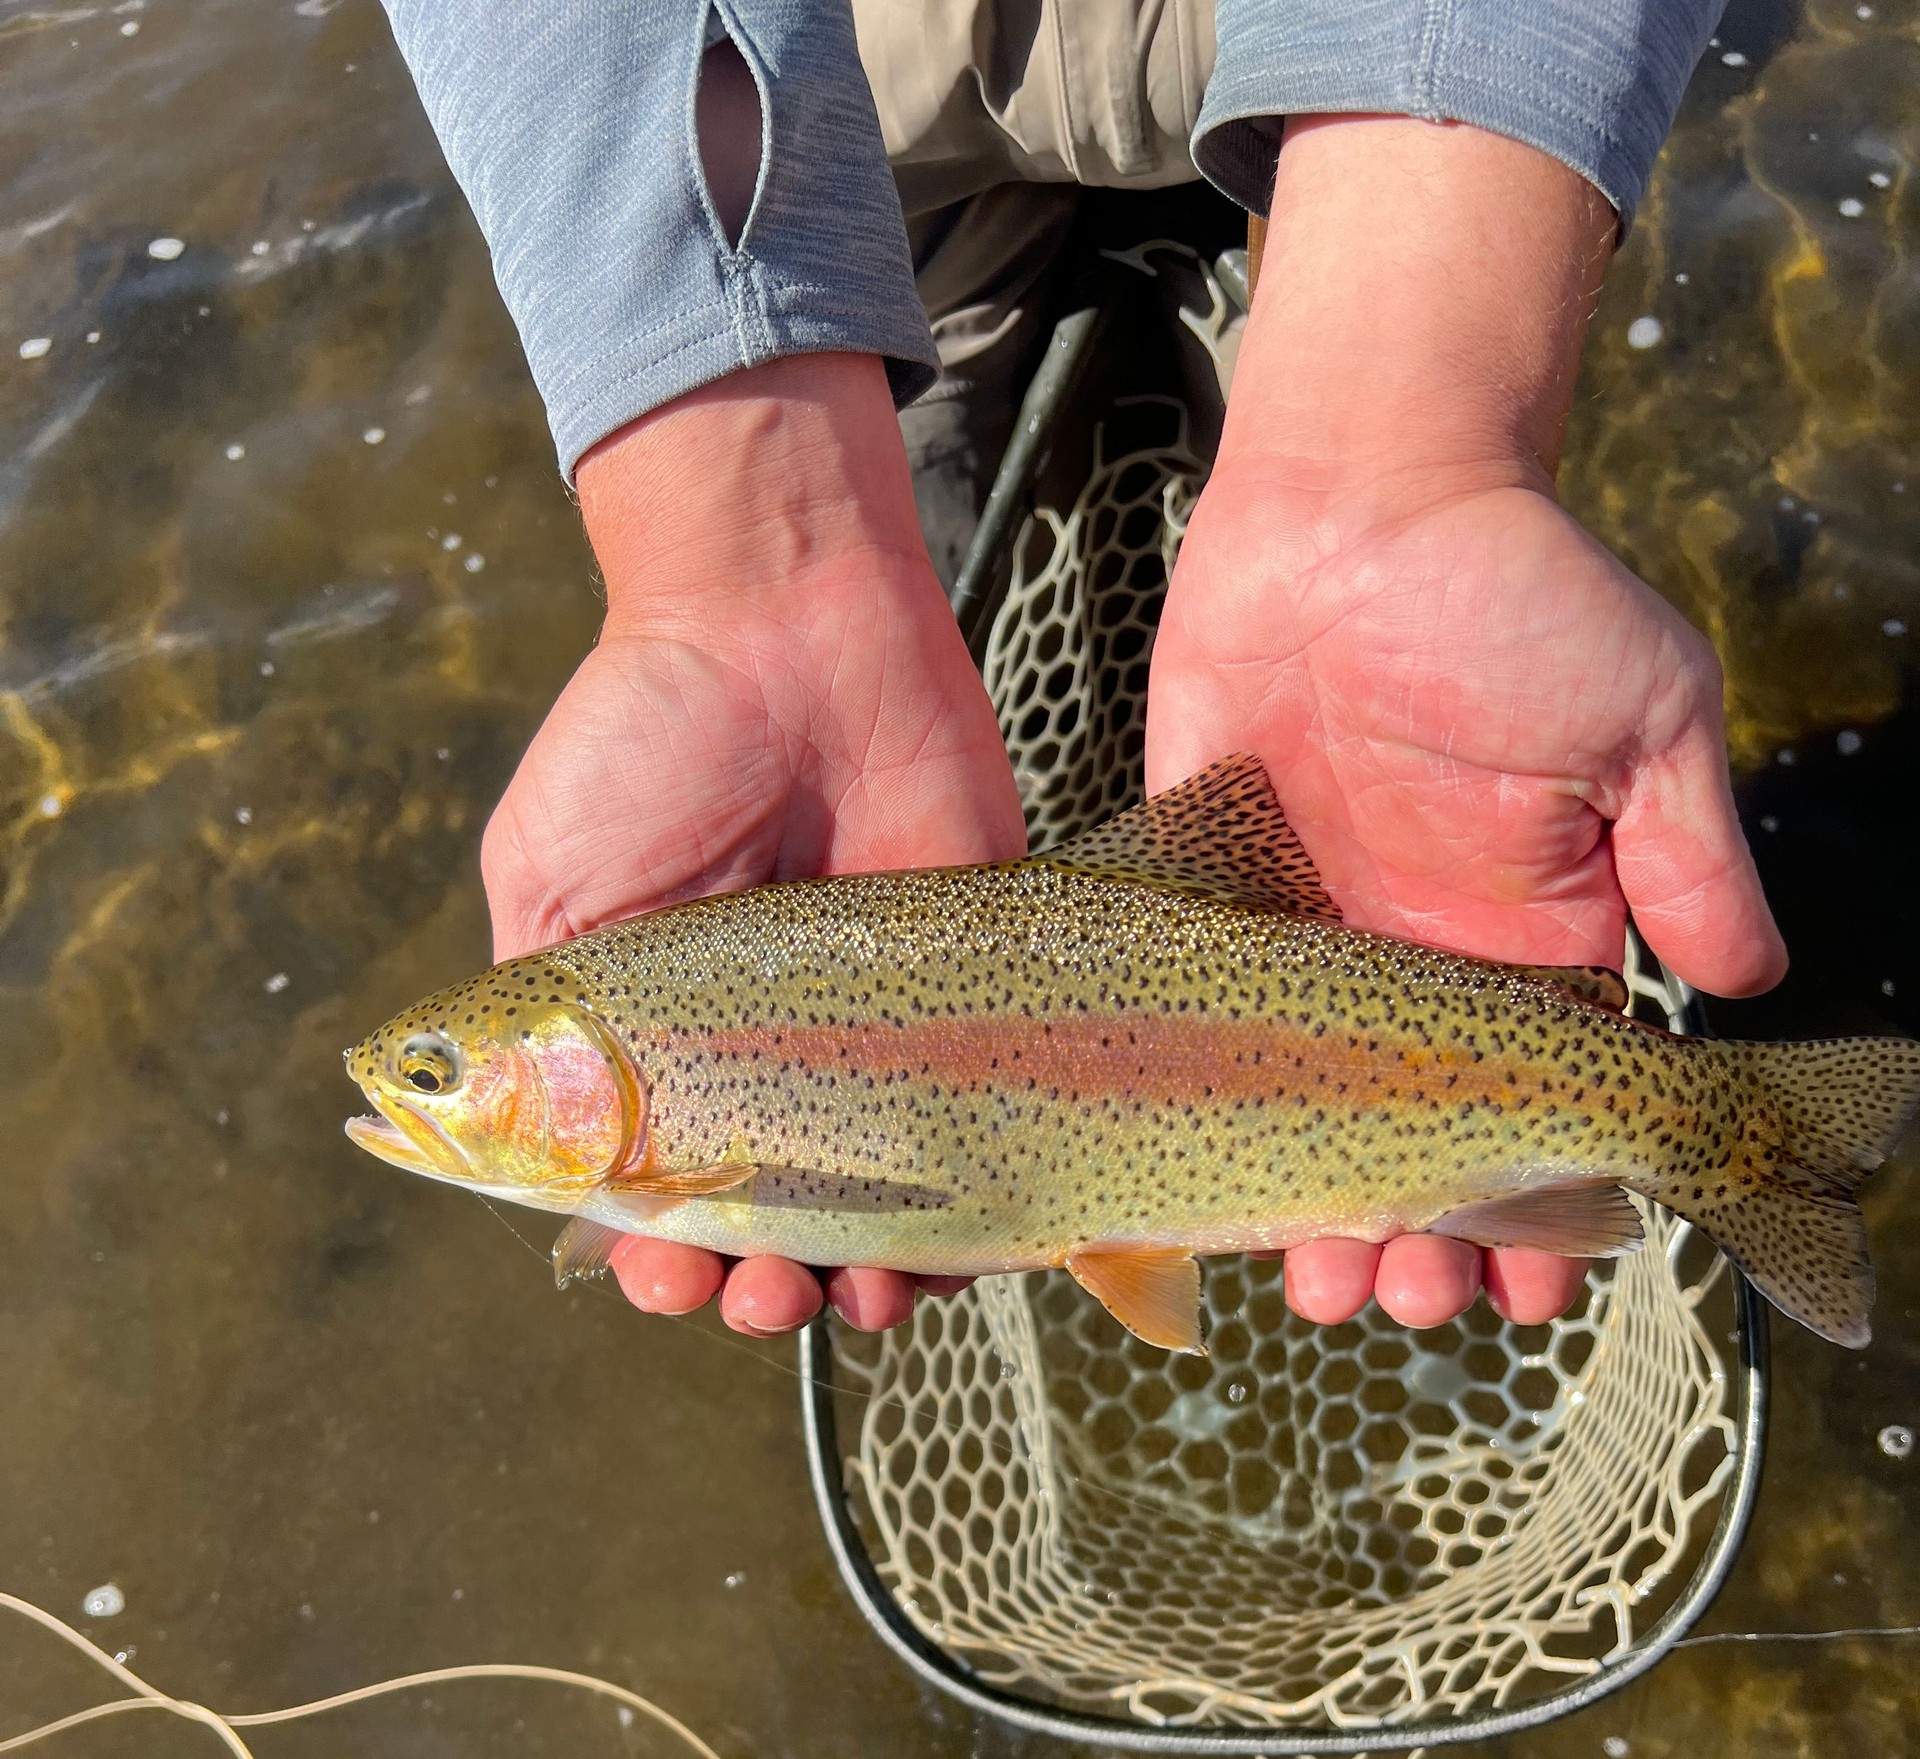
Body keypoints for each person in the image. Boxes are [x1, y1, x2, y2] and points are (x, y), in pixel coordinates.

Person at [377, 0, 1786, 1341]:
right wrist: (744, 542)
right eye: (433, 1077)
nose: (408, 1089)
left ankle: (1714, 1128)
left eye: (440, 1077)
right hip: (820, 91)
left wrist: (1408, 441)